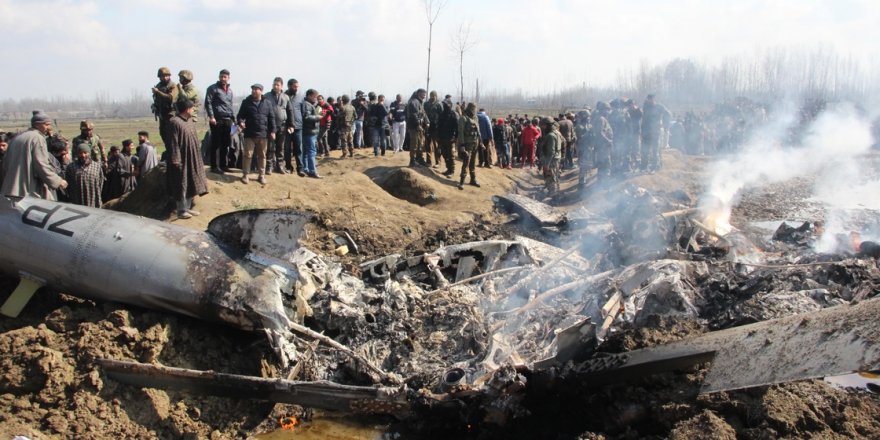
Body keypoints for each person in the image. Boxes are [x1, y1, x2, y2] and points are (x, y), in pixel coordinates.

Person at [1, 111, 68, 200]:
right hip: (26, 193)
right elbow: (41, 165)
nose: (49, 128)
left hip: (9, 191)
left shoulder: (17, 137)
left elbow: (5, 165)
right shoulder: (37, 138)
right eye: (46, 125)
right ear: (37, 124)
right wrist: (58, 181)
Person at [167, 99, 209, 219]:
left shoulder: (189, 121)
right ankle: (181, 210)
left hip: (192, 157)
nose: (194, 110)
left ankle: (188, 208)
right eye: (192, 108)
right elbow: (173, 143)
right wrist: (176, 160)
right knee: (181, 184)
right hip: (182, 159)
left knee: (191, 182)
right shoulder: (174, 122)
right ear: (187, 109)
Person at [236, 84, 276, 185]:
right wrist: (240, 122)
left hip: (263, 134)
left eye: (256, 89)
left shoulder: (267, 103)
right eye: (253, 89)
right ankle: (245, 175)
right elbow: (240, 116)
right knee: (247, 155)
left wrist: (273, 131)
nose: (254, 91)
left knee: (262, 156)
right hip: (249, 133)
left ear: (261, 91)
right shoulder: (246, 102)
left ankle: (261, 176)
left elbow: (271, 118)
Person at [205, 69, 235, 173]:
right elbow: (208, 103)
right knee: (216, 143)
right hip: (217, 119)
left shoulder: (230, 91)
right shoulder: (212, 88)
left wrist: (234, 119)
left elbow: (230, 105)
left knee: (226, 143)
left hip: (228, 120)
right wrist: (211, 116)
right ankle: (214, 166)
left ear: (228, 78)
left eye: (225, 77)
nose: (223, 79)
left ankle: (223, 165)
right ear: (219, 77)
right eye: (221, 76)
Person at [265, 77, 292, 174]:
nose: (275, 86)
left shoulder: (286, 97)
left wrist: (291, 124)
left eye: (278, 85)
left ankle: (280, 166)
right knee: (270, 147)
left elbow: (290, 111)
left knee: (280, 147)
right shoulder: (266, 96)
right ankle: (269, 166)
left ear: (281, 86)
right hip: (270, 126)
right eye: (274, 84)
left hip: (282, 126)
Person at [65, 142, 104, 208]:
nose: (83, 155)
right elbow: (68, 184)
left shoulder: (97, 166)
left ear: (89, 153)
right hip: (76, 201)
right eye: (80, 153)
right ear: (77, 154)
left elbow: (101, 182)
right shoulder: (71, 167)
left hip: (93, 201)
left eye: (85, 153)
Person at [641, 94, 671, 172]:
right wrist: (642, 131)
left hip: (655, 131)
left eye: (651, 99)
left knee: (655, 150)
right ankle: (644, 167)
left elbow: (668, 114)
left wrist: (665, 124)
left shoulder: (659, 107)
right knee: (645, 150)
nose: (649, 100)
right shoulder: (645, 107)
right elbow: (643, 120)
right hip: (646, 132)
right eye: (648, 99)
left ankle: (655, 167)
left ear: (654, 99)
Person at [151, 66, 179, 150]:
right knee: (163, 133)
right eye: (162, 76)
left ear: (169, 76)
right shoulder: (158, 86)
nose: (164, 77)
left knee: (172, 135)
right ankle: (168, 152)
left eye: (166, 75)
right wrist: (154, 105)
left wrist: (158, 92)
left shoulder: (173, 85)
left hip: (171, 114)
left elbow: (170, 98)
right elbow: (157, 99)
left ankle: (174, 152)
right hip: (162, 114)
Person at [457, 102, 481, 189]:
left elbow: (478, 131)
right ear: (470, 108)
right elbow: (460, 133)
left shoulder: (476, 118)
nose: (474, 111)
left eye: (475, 109)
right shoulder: (463, 118)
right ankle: (462, 181)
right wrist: (462, 145)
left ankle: (473, 179)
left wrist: (480, 142)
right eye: (473, 109)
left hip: (475, 143)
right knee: (466, 163)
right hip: (467, 144)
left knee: (473, 163)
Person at [537, 117, 562, 195]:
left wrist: (547, 164)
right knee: (555, 177)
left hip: (551, 160)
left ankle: (552, 195)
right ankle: (556, 193)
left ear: (547, 125)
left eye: (543, 126)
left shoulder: (550, 135)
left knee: (551, 179)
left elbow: (551, 152)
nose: (542, 127)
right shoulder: (557, 132)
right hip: (556, 158)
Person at [300, 89, 322, 178]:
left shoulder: (308, 104)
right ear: (309, 96)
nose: (316, 99)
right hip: (309, 132)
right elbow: (307, 117)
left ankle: (306, 169)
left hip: (307, 131)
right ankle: (312, 171)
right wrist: (318, 117)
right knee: (311, 151)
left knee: (305, 152)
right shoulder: (307, 104)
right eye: (315, 97)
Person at [285, 78, 304, 175]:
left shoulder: (300, 97)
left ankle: (300, 168)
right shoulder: (283, 96)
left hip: (298, 126)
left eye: (297, 87)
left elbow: (303, 111)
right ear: (289, 86)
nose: (296, 88)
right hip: (286, 127)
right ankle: (288, 167)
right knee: (287, 148)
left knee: (299, 148)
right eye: (294, 87)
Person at [405, 89, 428, 166]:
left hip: (419, 126)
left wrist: (427, 122)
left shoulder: (419, 102)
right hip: (414, 126)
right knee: (414, 143)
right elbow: (413, 115)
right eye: (423, 93)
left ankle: (419, 159)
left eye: (425, 94)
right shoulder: (414, 102)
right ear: (418, 94)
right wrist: (418, 124)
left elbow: (423, 113)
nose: (424, 95)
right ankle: (413, 161)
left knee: (420, 143)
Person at [591, 101, 614, 178]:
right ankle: (604, 182)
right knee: (606, 163)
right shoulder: (601, 119)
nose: (608, 112)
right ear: (603, 110)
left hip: (602, 145)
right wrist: (608, 141)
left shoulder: (601, 118)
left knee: (603, 163)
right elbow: (599, 133)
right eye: (607, 110)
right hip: (603, 146)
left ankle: (602, 180)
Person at [437, 98, 458, 176]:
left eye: (445, 104)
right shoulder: (442, 114)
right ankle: (448, 168)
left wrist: (455, 137)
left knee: (451, 155)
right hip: (443, 138)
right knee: (444, 153)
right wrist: (438, 136)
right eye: (443, 104)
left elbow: (457, 127)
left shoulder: (453, 114)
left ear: (449, 105)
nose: (444, 106)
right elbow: (439, 126)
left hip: (450, 138)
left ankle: (452, 171)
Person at [423, 90, 443, 167]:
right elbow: (423, 113)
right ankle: (428, 161)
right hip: (427, 126)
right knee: (427, 144)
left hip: (436, 127)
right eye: (431, 96)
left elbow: (441, 116)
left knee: (436, 145)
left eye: (434, 96)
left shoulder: (438, 105)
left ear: (436, 96)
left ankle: (438, 162)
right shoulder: (426, 104)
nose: (432, 98)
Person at [574, 109, 593, 189]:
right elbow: (579, 139)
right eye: (588, 117)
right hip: (583, 148)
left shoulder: (589, 125)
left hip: (588, 147)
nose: (589, 118)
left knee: (587, 164)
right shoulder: (579, 127)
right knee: (583, 165)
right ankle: (582, 182)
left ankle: (584, 179)